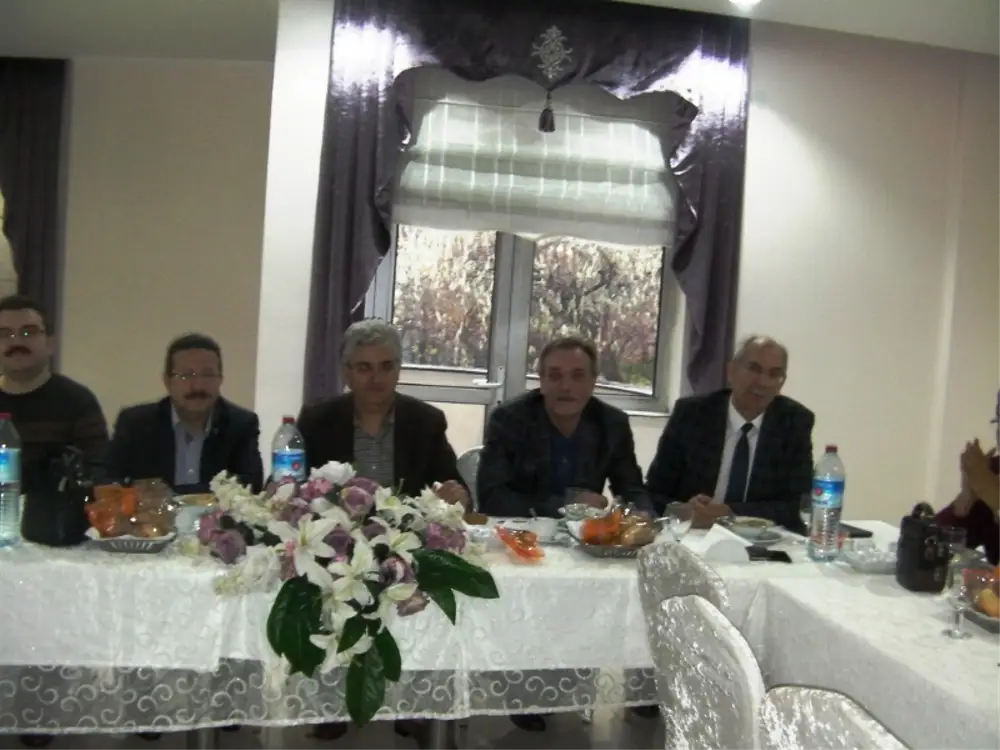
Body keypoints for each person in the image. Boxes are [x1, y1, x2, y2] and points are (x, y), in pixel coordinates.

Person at [297, 319, 468, 744]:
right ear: (346, 372)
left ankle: (412, 705)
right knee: (324, 590)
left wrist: (457, 493)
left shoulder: (425, 421)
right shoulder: (317, 420)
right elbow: (296, 485)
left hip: (406, 540)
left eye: (386, 366)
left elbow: (451, 486)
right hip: (339, 541)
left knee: (423, 593)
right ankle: (333, 701)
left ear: (399, 369)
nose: (376, 378)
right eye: (364, 367)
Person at [0, 295, 109, 750]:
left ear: (50, 342)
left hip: (55, 538)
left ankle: (36, 707)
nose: (16, 342)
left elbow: (99, 472)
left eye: (28, 332)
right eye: (5, 334)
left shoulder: (76, 401)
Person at [647, 335, 814, 532]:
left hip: (760, 539)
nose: (763, 382)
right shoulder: (692, 414)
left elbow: (799, 505)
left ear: (781, 383)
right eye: (754, 369)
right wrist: (682, 511)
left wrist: (730, 513)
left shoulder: (794, 422)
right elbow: (653, 492)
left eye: (774, 374)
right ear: (731, 370)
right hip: (693, 533)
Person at [478, 336, 651, 519]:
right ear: (542, 382)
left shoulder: (612, 424)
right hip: (520, 531)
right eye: (555, 376)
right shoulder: (509, 419)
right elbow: (491, 498)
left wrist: (643, 514)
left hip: (582, 533)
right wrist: (567, 505)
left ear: (593, 382)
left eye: (577, 376)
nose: (566, 386)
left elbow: (631, 489)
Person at [105, 333, 263, 493]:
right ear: (167, 381)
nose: (198, 386)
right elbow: (107, 480)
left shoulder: (241, 424)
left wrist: (170, 493)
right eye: (186, 375)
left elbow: (251, 484)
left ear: (220, 379)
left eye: (208, 375)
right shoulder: (136, 423)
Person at [936, 391, 1000, 564]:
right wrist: (965, 500)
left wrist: (995, 499)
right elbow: (933, 548)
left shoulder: (988, 481)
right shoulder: (992, 471)